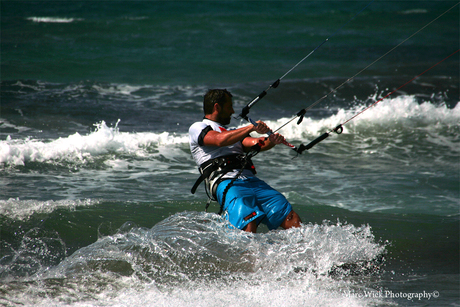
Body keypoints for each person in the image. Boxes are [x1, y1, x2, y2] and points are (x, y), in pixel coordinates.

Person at [189, 89, 302, 233]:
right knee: (249, 220)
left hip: (252, 182)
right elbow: (219, 140)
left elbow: (255, 142)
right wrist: (250, 127)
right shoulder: (198, 127)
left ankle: (305, 251)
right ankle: (248, 256)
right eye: (229, 106)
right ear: (217, 107)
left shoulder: (233, 132)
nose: (232, 111)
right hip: (227, 183)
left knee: (288, 215)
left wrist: (271, 141)